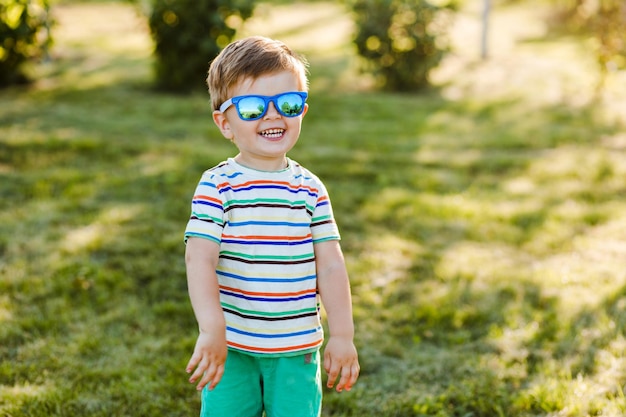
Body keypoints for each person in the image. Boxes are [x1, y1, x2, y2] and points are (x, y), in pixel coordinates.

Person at [183, 35, 359, 417]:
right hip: (232, 349)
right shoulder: (217, 186)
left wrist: (342, 335)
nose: (273, 116)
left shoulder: (310, 189)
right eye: (251, 108)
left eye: (288, 104)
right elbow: (199, 259)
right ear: (224, 123)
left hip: (296, 352)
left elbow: (330, 264)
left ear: (302, 112)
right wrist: (211, 328)